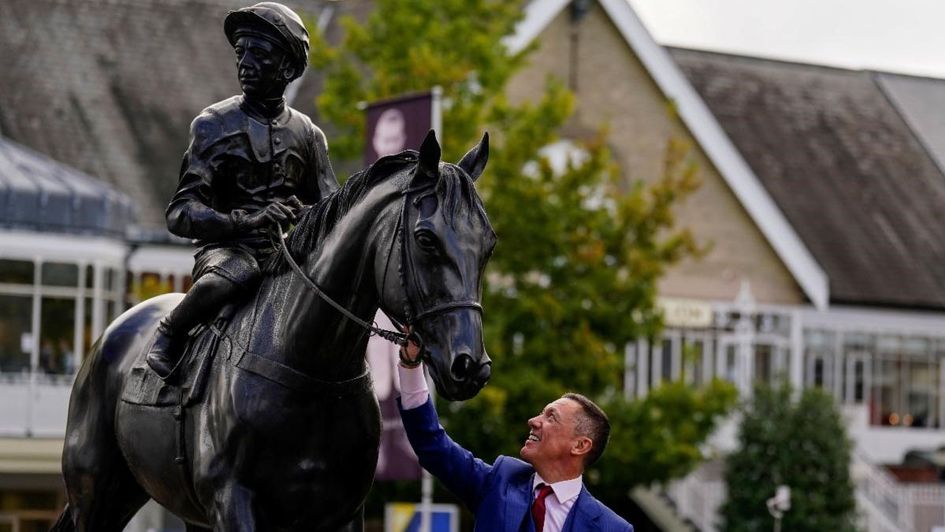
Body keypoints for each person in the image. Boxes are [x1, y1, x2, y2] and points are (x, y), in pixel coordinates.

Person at [146, 2, 338, 378]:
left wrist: (302, 213)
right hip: (225, 253)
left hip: (285, 255)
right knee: (239, 270)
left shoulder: (308, 135)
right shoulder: (213, 125)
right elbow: (180, 213)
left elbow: (332, 210)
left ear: (287, 68)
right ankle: (170, 332)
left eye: (258, 54)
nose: (245, 64)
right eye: (241, 52)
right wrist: (247, 220)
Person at [396, 339, 634, 532]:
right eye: (541, 413)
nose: (533, 421)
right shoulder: (499, 481)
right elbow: (434, 446)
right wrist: (410, 364)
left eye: (551, 417)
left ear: (580, 445)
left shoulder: (612, 528)